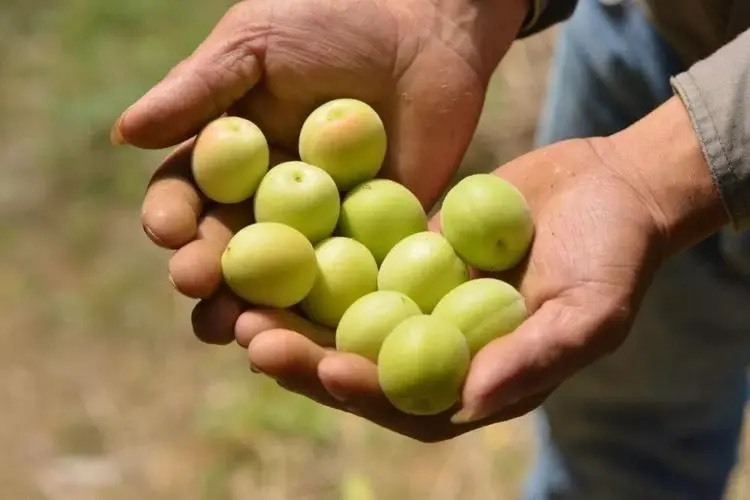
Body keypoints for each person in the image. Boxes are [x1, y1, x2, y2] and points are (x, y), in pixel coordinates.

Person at [111, 0, 750, 497]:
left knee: (640, 438)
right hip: (647, 22)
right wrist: (452, 10)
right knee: (623, 435)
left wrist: (673, 166)